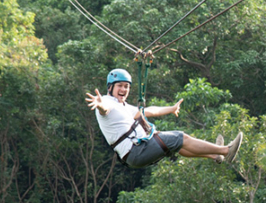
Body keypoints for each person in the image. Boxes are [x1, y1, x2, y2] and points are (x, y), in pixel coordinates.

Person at [85, 68, 242, 168]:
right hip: (137, 151)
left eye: (126, 87)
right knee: (181, 137)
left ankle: (215, 155)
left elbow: (149, 111)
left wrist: (171, 109)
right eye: (120, 86)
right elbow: (104, 108)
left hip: (138, 151)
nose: (123, 89)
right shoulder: (107, 102)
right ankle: (226, 150)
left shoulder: (125, 107)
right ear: (110, 87)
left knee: (177, 146)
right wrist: (99, 103)